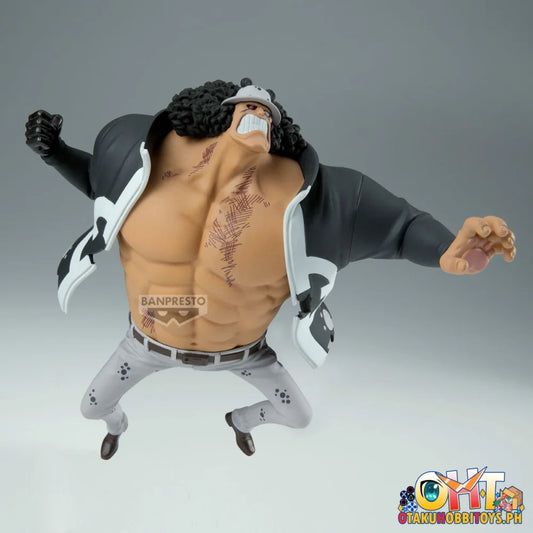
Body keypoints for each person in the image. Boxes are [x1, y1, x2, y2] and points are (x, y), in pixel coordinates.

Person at [25, 78, 516, 460]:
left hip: (242, 352)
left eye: (266, 109)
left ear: (278, 128)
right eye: (248, 104)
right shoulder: (146, 158)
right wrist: (55, 153)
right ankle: (117, 426)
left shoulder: (309, 196)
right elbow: (103, 187)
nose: (257, 110)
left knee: (298, 416)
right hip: (148, 341)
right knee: (91, 407)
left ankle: (240, 421)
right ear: (221, 112)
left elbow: (402, 227)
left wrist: (447, 248)